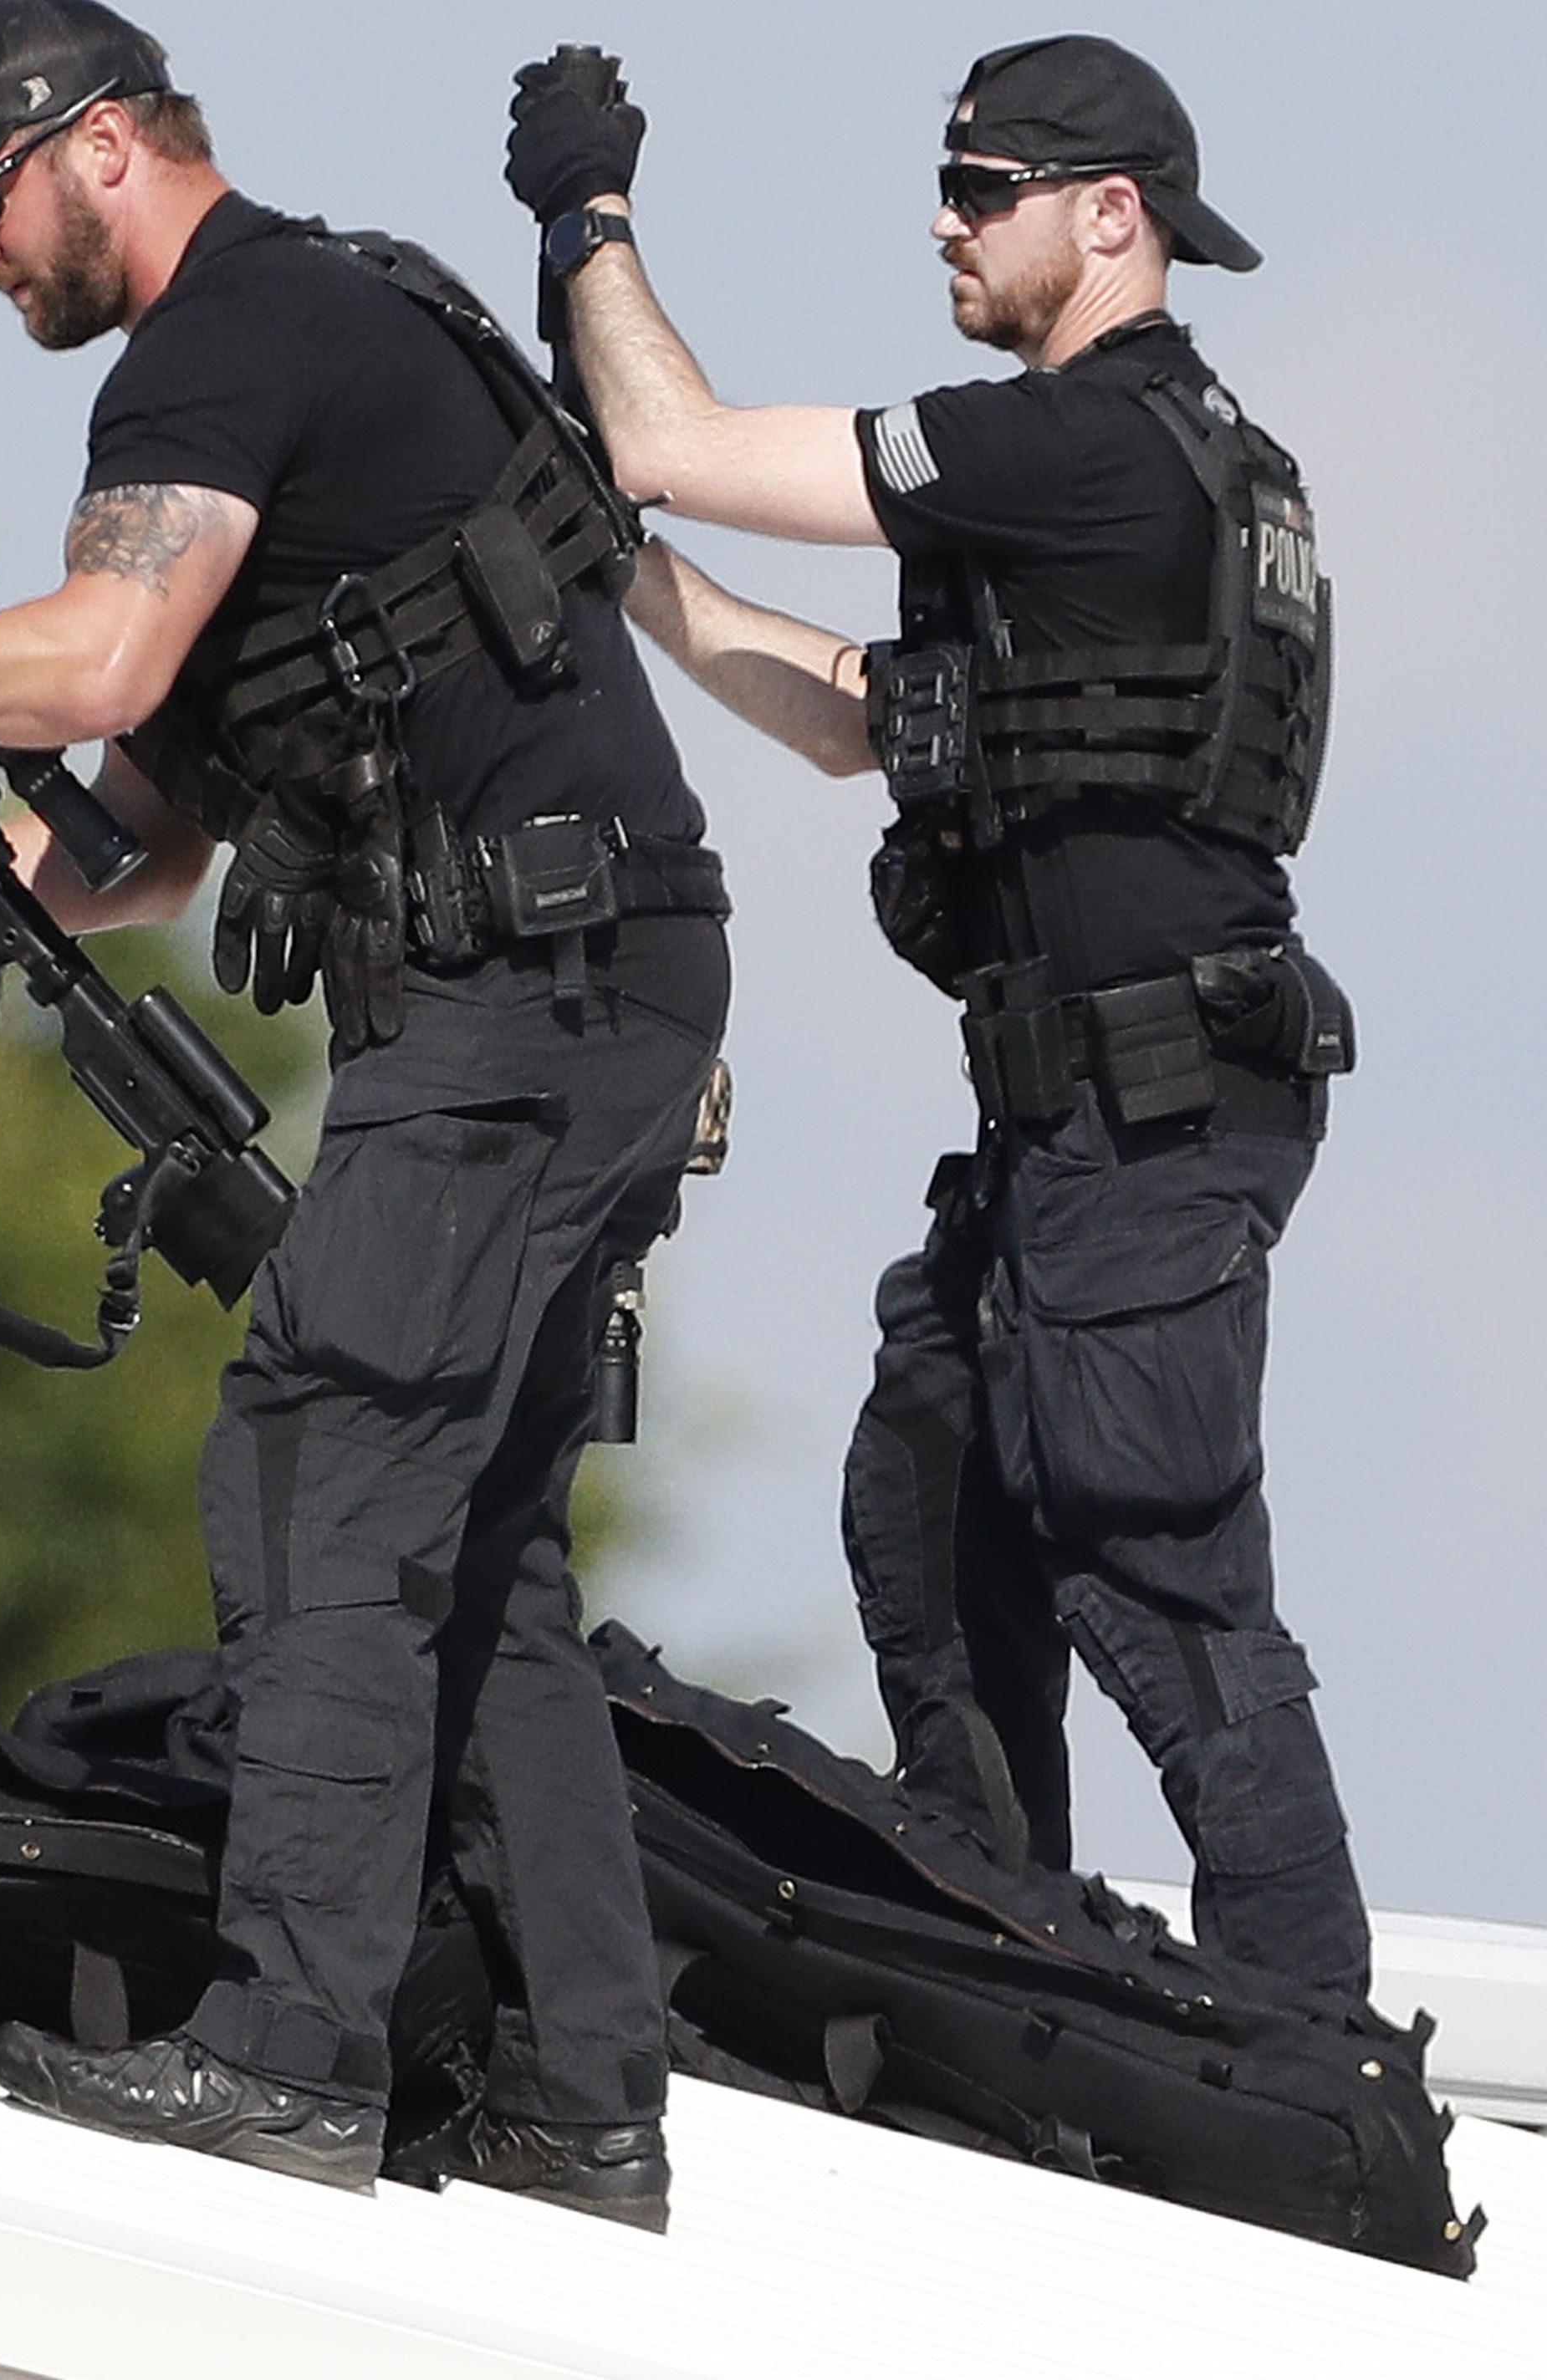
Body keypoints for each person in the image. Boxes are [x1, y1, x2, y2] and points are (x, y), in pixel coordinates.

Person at [0, 0, 725, 2226]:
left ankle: (286, 2057)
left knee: (321, 1462)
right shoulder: (302, 341)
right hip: (570, 979)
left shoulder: (225, 341)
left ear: (90, 153)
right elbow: (135, 831)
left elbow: (89, 667)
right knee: (481, 1545)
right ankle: (578, 2093)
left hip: (520, 993)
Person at [501, 37, 1371, 2002]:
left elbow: (669, 430)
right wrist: (620, 567)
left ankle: (1311, 2046)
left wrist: (587, 221)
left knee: (1152, 1571)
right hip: (1095, 1122)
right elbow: (847, 713)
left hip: (1144, 1116)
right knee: (932, 1502)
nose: (944, 221)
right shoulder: (1168, 473)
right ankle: (1015, 1964)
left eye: (981, 189)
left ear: (1108, 215)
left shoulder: (1077, 446)